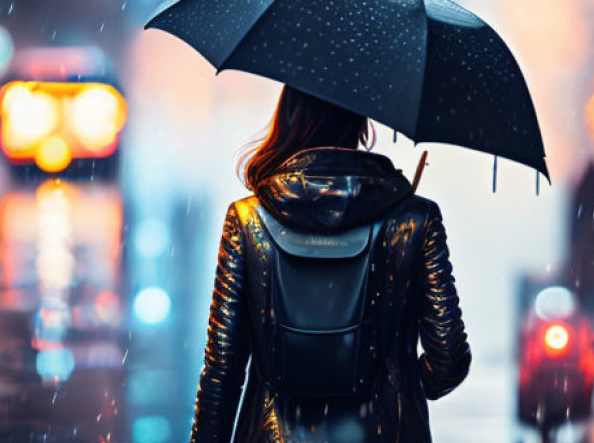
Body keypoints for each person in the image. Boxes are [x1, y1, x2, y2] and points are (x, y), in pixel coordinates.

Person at [190, 85, 471, 443]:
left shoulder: (248, 220)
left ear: (289, 119)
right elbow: (448, 361)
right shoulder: (415, 218)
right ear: (361, 125)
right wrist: (398, 385)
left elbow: (222, 368)